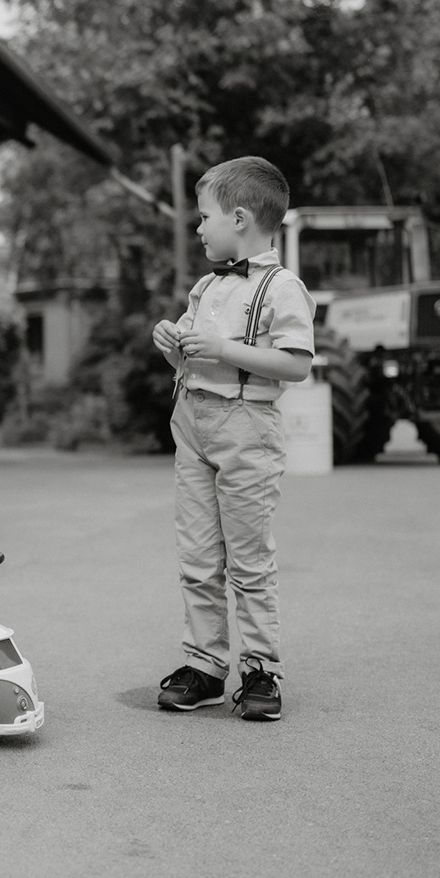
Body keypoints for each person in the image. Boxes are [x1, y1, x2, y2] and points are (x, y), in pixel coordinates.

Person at [151, 157, 315, 721]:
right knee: (197, 555)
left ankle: (261, 668)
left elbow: (295, 365)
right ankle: (205, 664)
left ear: (240, 218)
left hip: (247, 428)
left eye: (204, 218)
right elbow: (194, 350)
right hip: (193, 422)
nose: (198, 228)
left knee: (247, 560)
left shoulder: (282, 286)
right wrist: (173, 342)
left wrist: (221, 350)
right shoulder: (206, 284)